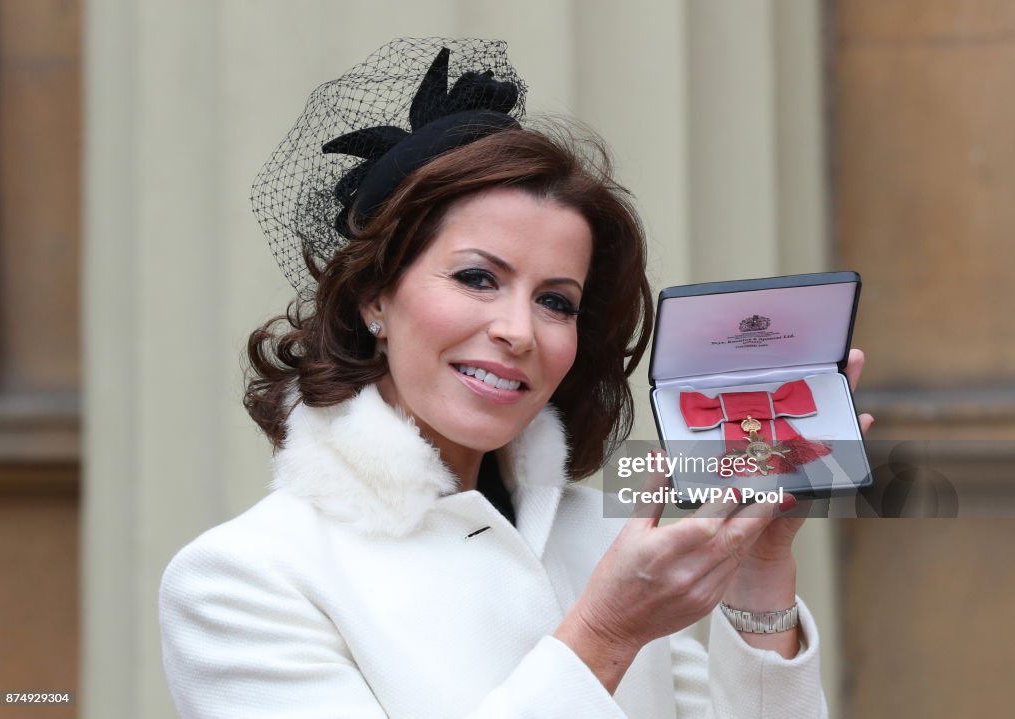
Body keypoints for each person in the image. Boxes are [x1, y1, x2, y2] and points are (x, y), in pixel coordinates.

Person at [160, 38, 868, 717]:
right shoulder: (242, 579)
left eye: (556, 300)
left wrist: (757, 567)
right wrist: (605, 633)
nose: (519, 331)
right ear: (374, 295)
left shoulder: (604, 538)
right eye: (477, 278)